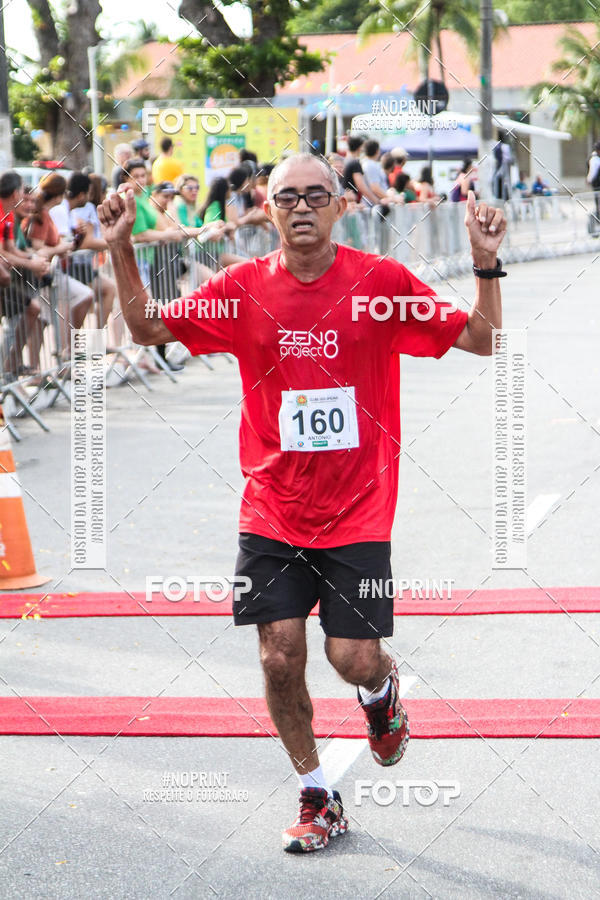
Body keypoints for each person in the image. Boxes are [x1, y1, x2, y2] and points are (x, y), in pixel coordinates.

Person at [98, 152, 506, 855]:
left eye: (317, 195)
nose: (302, 207)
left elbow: (482, 339)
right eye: (287, 196)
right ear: (268, 208)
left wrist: (485, 264)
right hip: (272, 509)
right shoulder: (241, 290)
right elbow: (147, 330)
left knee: (352, 657)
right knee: (278, 657)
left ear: (341, 205)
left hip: (359, 510)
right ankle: (317, 793)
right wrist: (120, 248)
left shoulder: (380, 285)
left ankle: (380, 692)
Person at [23, 173, 93, 358]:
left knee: (42, 319)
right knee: (83, 296)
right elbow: (38, 247)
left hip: (47, 273)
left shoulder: (46, 213)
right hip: (43, 274)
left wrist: (70, 243)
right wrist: (62, 247)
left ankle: (55, 359)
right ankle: (66, 352)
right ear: (61, 194)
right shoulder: (42, 214)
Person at [342, 135, 382, 207]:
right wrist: (376, 201)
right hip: (352, 203)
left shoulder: (346, 161)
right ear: (359, 148)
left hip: (346, 201)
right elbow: (361, 186)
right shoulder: (355, 163)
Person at [492, 131, 513, 201]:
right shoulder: (505, 147)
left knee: (500, 181)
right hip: (503, 165)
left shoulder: (499, 146)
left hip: (502, 165)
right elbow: (509, 159)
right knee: (501, 181)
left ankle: (502, 197)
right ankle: (501, 197)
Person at [587, 141, 600, 228]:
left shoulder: (595, 159)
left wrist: (588, 180)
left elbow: (592, 173)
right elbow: (592, 172)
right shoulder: (595, 159)